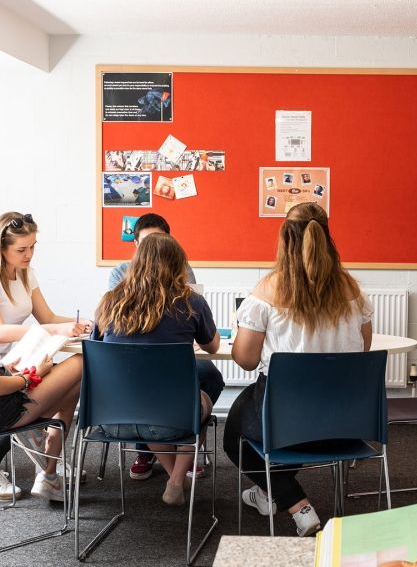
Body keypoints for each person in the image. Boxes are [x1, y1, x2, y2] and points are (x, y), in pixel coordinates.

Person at [222, 202, 373, 536]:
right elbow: (363, 348)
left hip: (288, 416)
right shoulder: (352, 290)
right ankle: (267, 492)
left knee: (235, 438)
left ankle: (296, 504)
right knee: (260, 418)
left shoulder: (266, 291)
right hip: (344, 417)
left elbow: (246, 360)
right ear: (326, 235)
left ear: (285, 238)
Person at [93, 233, 220, 506]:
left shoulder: (108, 301)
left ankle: (175, 478)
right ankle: (176, 479)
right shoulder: (190, 302)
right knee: (202, 400)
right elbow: (212, 347)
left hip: (111, 419)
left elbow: (96, 349)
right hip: (168, 420)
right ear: (178, 265)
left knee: (147, 403)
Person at [0, 211, 88, 501]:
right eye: (21, 250)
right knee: (80, 364)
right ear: (2, 249)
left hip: (17, 361)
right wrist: (53, 329)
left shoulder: (26, 273)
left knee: (74, 382)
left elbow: (47, 316)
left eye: (33, 246)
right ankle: (48, 467)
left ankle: (48, 467)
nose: (29, 254)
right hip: (7, 373)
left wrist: (77, 324)